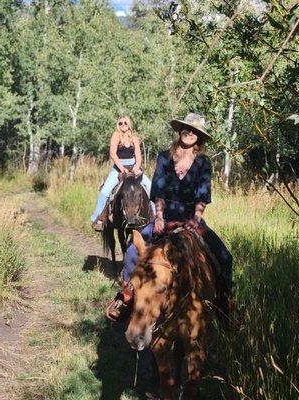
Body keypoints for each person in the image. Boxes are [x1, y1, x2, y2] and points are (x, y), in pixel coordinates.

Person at [107, 113, 238, 329]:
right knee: (132, 252)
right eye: (187, 129)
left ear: (200, 137)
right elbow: (158, 190)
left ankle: (223, 307)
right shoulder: (164, 157)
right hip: (165, 218)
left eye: (195, 131)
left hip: (191, 220)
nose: (190, 133)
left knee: (224, 257)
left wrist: (196, 219)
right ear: (180, 131)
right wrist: (158, 216)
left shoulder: (203, 163)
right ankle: (128, 299)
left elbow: (202, 195)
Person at [90, 116, 152, 231]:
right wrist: (122, 169)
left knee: (151, 186)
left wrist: (136, 167)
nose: (123, 125)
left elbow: (138, 156)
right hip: (118, 167)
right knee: (105, 191)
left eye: (125, 123)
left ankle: (155, 218)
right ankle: (99, 218)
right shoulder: (116, 135)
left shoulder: (134, 138)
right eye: (120, 123)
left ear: (129, 124)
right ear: (118, 125)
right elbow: (113, 154)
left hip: (134, 167)